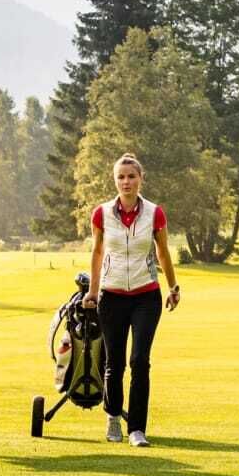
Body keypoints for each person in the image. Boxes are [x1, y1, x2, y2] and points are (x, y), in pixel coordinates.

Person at [82, 153, 180, 446]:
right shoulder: (101, 213)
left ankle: (137, 429)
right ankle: (113, 417)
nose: (126, 182)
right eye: (121, 177)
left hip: (146, 295)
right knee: (115, 363)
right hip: (111, 297)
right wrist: (93, 291)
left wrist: (174, 287)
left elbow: (162, 252)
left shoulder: (154, 213)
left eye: (131, 176)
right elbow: (98, 252)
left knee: (140, 361)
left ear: (140, 179)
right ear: (115, 180)